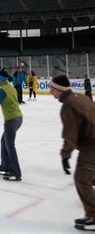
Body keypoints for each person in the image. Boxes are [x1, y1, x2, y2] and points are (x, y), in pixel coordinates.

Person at [49, 75, 95, 230]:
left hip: (91, 147)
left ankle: (93, 217)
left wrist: (65, 156)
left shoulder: (69, 105)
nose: (50, 92)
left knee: (82, 179)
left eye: (52, 89)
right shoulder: (82, 98)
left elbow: (70, 135)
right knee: (91, 177)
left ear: (59, 89)